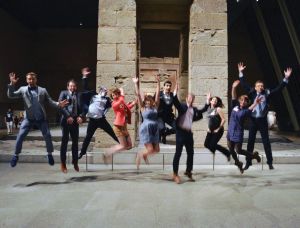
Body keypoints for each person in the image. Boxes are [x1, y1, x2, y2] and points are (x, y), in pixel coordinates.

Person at [238, 62, 292, 170]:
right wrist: (240, 72)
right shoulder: (252, 92)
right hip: (253, 120)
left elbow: (278, 89)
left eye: (262, 85)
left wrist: (285, 78)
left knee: (266, 142)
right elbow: (243, 84)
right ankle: (248, 162)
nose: (261, 87)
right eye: (259, 86)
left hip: (262, 120)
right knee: (250, 142)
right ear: (255, 87)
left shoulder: (267, 93)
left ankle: (270, 162)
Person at [7, 72, 68, 167]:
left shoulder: (42, 90)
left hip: (41, 119)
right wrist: (12, 84)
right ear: (27, 80)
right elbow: (11, 95)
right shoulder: (23, 89)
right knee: (20, 136)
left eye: (33, 79)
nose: (31, 81)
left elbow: (50, 102)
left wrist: (58, 104)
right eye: (29, 79)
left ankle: (49, 154)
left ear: (36, 80)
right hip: (28, 119)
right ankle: (15, 155)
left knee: (47, 135)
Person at [172, 91, 210, 184]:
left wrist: (207, 101)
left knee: (191, 153)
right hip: (180, 133)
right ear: (186, 99)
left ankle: (188, 171)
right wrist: (175, 93)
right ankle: (175, 174)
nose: (191, 99)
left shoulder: (194, 109)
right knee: (178, 153)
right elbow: (176, 103)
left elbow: (203, 110)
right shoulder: (182, 106)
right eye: (189, 97)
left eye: (192, 98)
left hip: (188, 134)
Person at [227, 80, 263, 173]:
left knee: (238, 150)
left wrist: (256, 103)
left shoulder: (246, 111)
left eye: (245, 101)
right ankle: (238, 163)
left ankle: (254, 156)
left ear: (247, 103)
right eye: (242, 100)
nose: (243, 102)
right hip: (230, 131)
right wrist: (234, 87)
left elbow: (251, 108)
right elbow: (234, 96)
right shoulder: (235, 106)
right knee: (230, 149)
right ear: (240, 101)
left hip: (238, 133)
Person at [78, 85, 119, 160]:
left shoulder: (107, 99)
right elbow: (85, 88)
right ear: (100, 90)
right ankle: (82, 152)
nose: (105, 92)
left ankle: (122, 144)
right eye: (104, 91)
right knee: (88, 137)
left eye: (106, 92)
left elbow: (113, 103)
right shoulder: (93, 96)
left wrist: (114, 99)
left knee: (112, 133)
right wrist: (84, 78)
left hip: (101, 120)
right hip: (92, 121)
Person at [132, 74, 161, 169]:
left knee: (156, 149)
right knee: (150, 149)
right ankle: (140, 155)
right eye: (146, 101)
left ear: (152, 101)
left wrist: (158, 83)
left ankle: (144, 154)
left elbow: (157, 95)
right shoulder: (143, 108)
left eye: (149, 101)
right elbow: (139, 96)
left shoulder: (155, 107)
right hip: (146, 129)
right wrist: (136, 84)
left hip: (155, 129)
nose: (148, 102)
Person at [103, 87, 136, 163]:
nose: (115, 96)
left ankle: (113, 151)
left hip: (124, 127)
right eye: (113, 95)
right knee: (123, 146)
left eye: (116, 94)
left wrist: (133, 103)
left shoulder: (120, 102)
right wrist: (122, 92)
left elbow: (126, 108)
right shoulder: (114, 104)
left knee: (129, 146)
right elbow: (121, 100)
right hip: (118, 127)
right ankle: (108, 153)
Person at [58, 79, 84, 173]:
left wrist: (81, 116)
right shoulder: (63, 93)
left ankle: (75, 161)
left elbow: (81, 108)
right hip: (66, 121)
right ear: (68, 86)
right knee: (64, 142)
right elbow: (61, 106)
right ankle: (63, 163)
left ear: (76, 87)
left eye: (74, 86)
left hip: (75, 122)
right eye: (71, 86)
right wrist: (68, 116)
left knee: (75, 143)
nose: (72, 87)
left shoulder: (78, 95)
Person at [204, 96, 231, 161]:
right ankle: (213, 150)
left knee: (213, 144)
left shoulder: (218, 109)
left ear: (217, 102)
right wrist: (208, 128)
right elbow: (209, 120)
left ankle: (227, 153)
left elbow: (223, 120)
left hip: (218, 130)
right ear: (211, 101)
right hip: (211, 130)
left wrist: (218, 129)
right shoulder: (209, 109)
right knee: (206, 144)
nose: (214, 101)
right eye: (213, 100)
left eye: (216, 100)